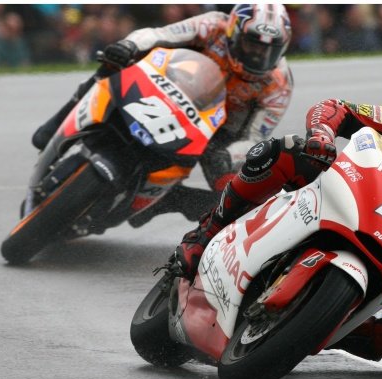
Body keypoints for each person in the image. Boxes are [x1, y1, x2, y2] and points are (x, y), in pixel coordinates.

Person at [174, 76, 382, 367]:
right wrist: (322, 135)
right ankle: (207, 231)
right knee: (284, 150)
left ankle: (335, 328)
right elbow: (337, 108)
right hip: (354, 198)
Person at [31, 4, 294, 223]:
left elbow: (254, 136)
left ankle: (166, 204)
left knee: (233, 192)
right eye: (253, 45)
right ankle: (58, 122)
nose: (259, 55)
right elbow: (159, 34)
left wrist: (231, 154)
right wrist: (129, 45)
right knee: (115, 63)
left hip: (217, 132)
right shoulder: (213, 25)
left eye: (268, 49)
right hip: (171, 88)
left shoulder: (279, 83)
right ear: (234, 32)